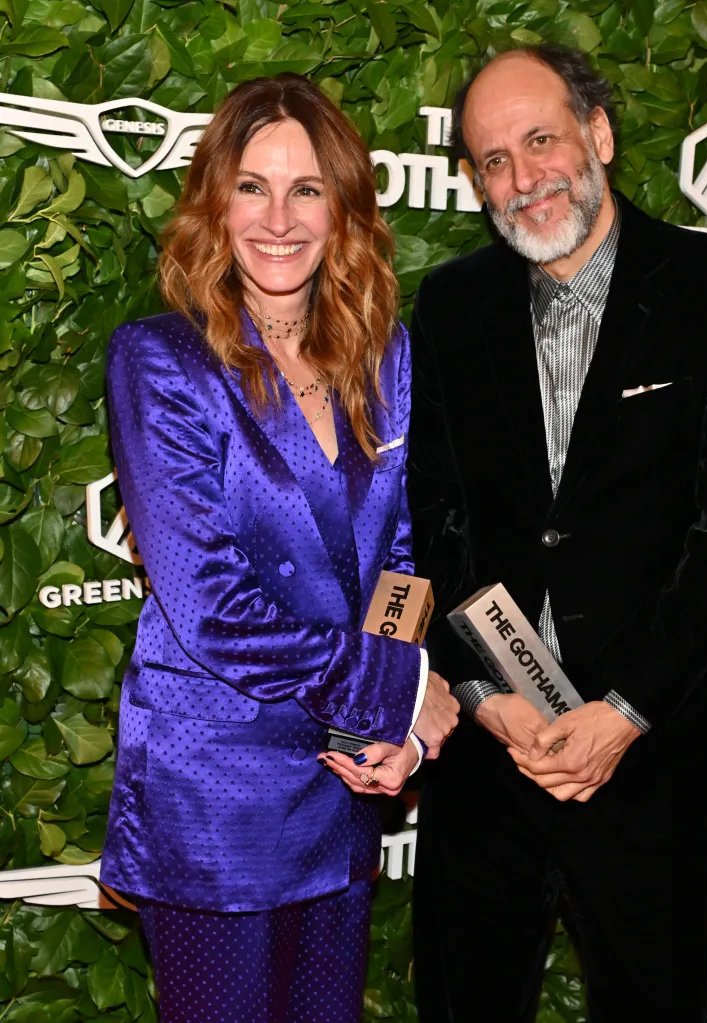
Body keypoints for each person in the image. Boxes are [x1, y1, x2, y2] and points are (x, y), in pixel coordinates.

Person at [408, 44, 707, 1023]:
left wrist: (620, 714)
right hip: (490, 757)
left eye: (540, 140)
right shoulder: (450, 307)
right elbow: (437, 520)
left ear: (599, 135)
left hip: (651, 755)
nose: (522, 176)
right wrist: (486, 697)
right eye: (493, 159)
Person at [100, 73, 458, 1023]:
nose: (278, 218)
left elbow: (403, 559)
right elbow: (211, 606)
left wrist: (382, 731)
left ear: (343, 209)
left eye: (307, 189)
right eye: (252, 187)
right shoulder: (161, 360)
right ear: (215, 203)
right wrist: (397, 693)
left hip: (342, 780)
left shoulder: (385, 357)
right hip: (215, 797)